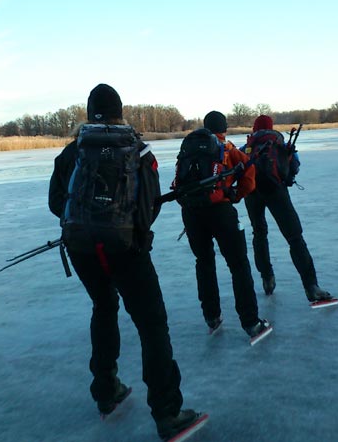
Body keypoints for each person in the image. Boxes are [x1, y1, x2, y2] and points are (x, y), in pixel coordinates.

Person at [48, 84, 202, 440]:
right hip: (126, 250)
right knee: (152, 326)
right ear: (121, 111)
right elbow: (149, 208)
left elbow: (57, 203)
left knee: (103, 307)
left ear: (89, 113)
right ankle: (168, 413)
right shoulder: (139, 150)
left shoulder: (72, 152)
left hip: (82, 248)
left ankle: (106, 392)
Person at [172, 110, 271, 340]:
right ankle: (251, 322)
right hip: (221, 212)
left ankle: (212, 316)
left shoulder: (189, 149)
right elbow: (249, 174)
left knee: (204, 262)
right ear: (224, 129)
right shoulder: (227, 149)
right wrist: (235, 195)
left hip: (192, 214)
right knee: (238, 265)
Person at [243, 114, 333, 302]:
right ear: (271, 126)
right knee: (294, 238)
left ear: (254, 128)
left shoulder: (248, 146)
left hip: (252, 194)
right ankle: (311, 286)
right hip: (277, 192)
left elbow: (239, 167)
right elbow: (295, 166)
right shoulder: (280, 143)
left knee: (259, 234)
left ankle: (267, 278)